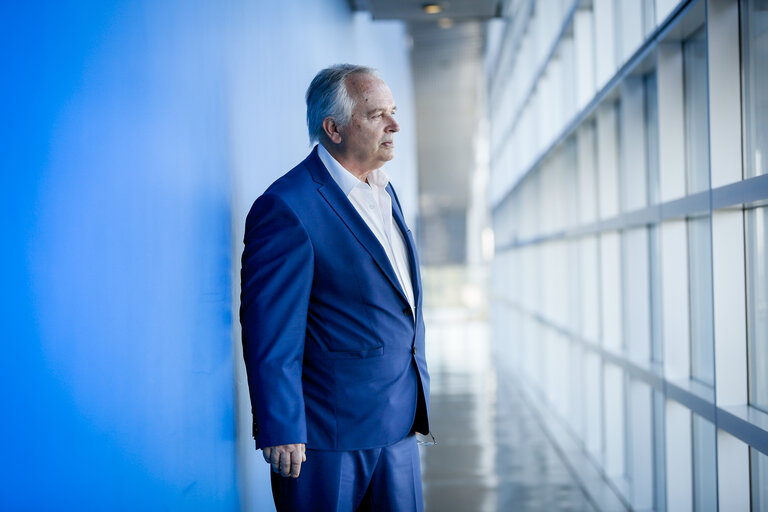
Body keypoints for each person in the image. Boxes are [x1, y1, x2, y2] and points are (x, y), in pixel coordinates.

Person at [239, 64, 430, 511]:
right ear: (335, 128)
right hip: (327, 440)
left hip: (398, 427)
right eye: (376, 114)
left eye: (394, 111)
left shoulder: (385, 192)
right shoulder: (287, 207)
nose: (394, 124)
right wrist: (281, 426)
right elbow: (269, 330)